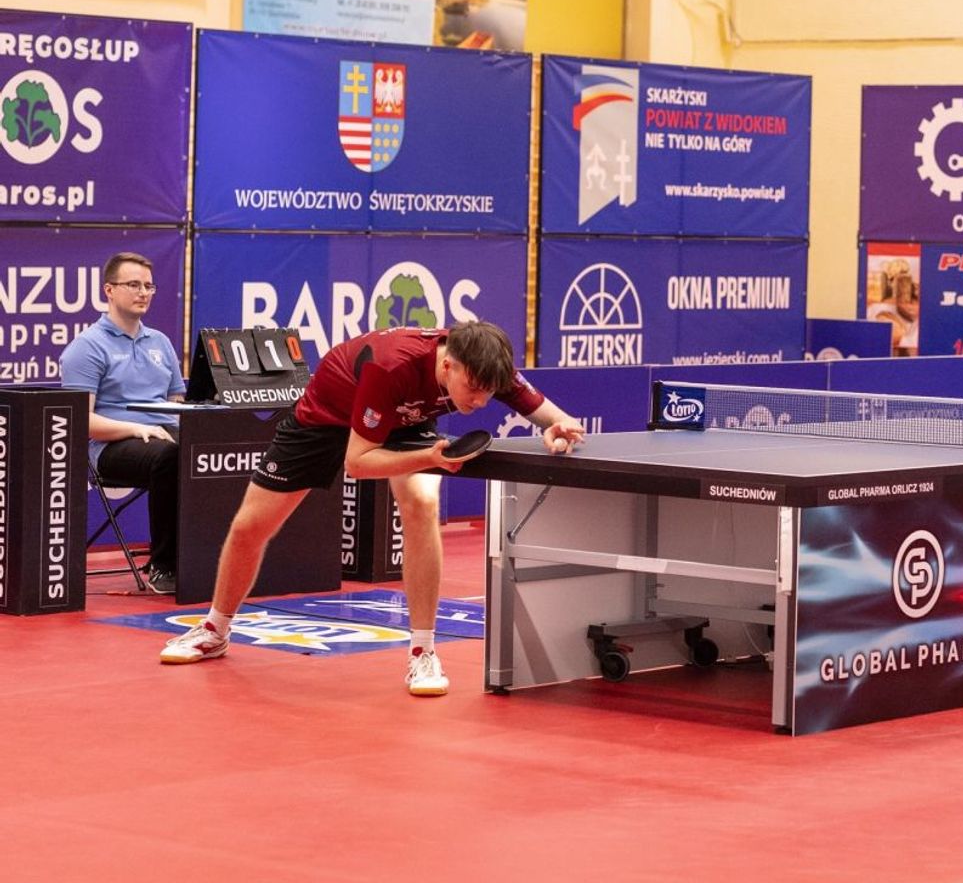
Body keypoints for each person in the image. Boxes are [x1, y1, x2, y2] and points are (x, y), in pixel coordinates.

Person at [158, 321, 585, 695]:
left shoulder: (485, 363)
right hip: (327, 418)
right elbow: (358, 463)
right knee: (250, 526)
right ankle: (215, 629)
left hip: (405, 417)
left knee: (421, 502)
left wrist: (558, 426)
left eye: (490, 391)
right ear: (447, 365)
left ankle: (423, 651)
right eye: (473, 389)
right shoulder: (392, 366)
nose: (480, 400)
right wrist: (430, 457)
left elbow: (551, 414)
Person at [59, 252, 185, 595]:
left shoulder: (160, 342)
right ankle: (164, 566)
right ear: (109, 290)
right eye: (133, 284)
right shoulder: (87, 347)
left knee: (212, 452)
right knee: (171, 457)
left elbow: (176, 404)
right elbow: (80, 421)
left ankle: (207, 558)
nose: (143, 292)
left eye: (148, 286)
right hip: (110, 447)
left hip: (163, 435)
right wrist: (135, 428)